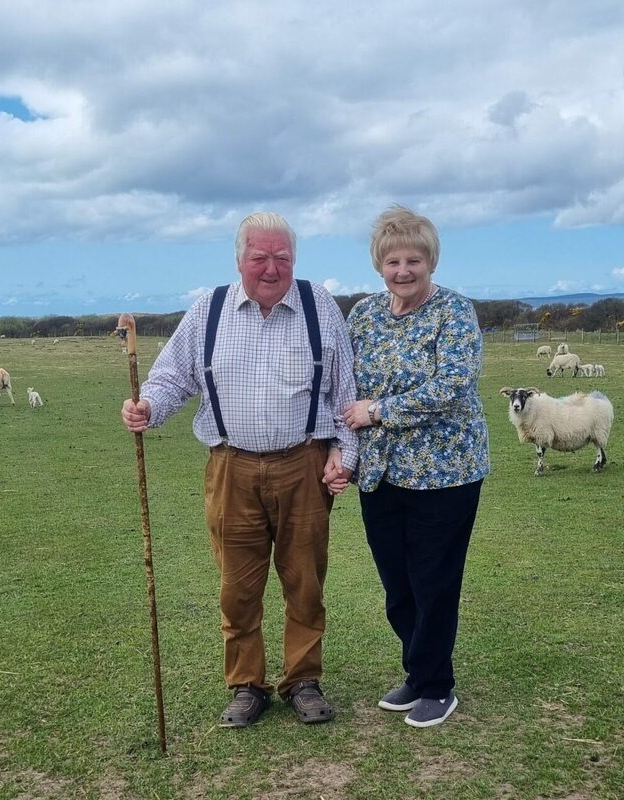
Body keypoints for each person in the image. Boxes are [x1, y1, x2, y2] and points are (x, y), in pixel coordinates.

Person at [121, 212, 357, 728]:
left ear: (294, 259)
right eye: (260, 258)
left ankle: (302, 680)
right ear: (239, 260)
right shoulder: (208, 311)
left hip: (305, 466)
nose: (271, 268)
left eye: (282, 258)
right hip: (231, 468)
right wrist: (148, 408)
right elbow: (169, 380)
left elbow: (345, 394)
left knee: (306, 581)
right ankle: (247, 685)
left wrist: (347, 452)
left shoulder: (321, 309)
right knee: (238, 586)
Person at [342, 206, 489, 728]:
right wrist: (340, 446)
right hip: (380, 472)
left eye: (414, 260)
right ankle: (417, 667)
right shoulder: (363, 315)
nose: (403, 270)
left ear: (431, 261)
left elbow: (451, 387)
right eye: (393, 261)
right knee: (397, 583)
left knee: (433, 579)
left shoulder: (454, 312)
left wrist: (378, 410)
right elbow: (345, 387)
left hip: (445, 473)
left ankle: (435, 684)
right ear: (379, 264)